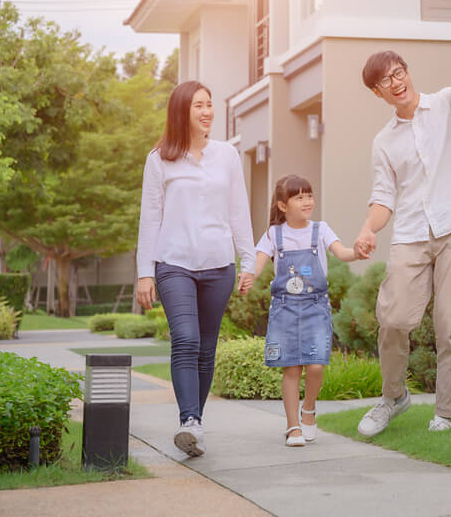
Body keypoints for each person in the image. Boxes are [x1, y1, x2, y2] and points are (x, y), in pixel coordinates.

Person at [353, 35, 451, 437]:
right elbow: (383, 199)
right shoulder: (384, 142)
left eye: (398, 72)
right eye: (385, 81)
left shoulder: (445, 105)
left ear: (407, 72)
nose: (395, 82)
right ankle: (394, 397)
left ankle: (445, 412)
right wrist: (368, 229)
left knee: (450, 322)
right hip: (410, 232)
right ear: (376, 92)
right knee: (392, 319)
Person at [136, 80, 255, 458]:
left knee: (206, 348)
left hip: (219, 266)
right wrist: (145, 272)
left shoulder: (227, 156)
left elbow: (239, 210)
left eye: (210, 104)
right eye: (198, 105)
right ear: (181, 111)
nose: (207, 112)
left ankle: (195, 427)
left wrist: (248, 260)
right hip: (175, 264)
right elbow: (150, 218)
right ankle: (188, 419)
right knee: (185, 339)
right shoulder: (160, 159)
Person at [252, 175, 359, 446]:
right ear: (283, 205)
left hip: (315, 307)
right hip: (284, 308)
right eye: (299, 197)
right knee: (291, 369)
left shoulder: (320, 230)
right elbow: (258, 263)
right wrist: (247, 277)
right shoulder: (273, 234)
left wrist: (357, 252)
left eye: (309, 195)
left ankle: (308, 409)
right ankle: (293, 427)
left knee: (315, 365)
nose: (307, 201)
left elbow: (342, 252)